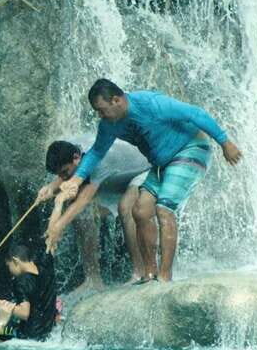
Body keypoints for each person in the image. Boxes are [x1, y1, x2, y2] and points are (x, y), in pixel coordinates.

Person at [60, 79, 243, 282]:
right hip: (161, 163)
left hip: (190, 149)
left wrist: (225, 142)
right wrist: (76, 180)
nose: (99, 115)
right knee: (140, 210)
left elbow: (195, 113)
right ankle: (149, 274)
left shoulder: (151, 104)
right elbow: (96, 152)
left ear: (116, 100)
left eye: (102, 110)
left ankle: (164, 277)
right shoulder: (109, 124)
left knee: (164, 209)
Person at [36, 136, 150, 288]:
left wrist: (57, 227)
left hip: (144, 171)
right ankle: (93, 279)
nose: (63, 178)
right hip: (115, 177)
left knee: (125, 207)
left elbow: (83, 200)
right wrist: (50, 187)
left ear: (76, 158)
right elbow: (70, 173)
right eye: (59, 175)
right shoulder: (70, 149)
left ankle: (140, 272)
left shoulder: (99, 161)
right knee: (83, 215)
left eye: (64, 172)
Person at [0, 244, 57, 344]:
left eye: (9, 266)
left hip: (26, 336)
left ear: (16, 261)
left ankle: (0, 341)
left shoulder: (21, 281)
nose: (9, 270)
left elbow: (24, 313)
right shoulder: (46, 268)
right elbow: (51, 244)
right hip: (46, 333)